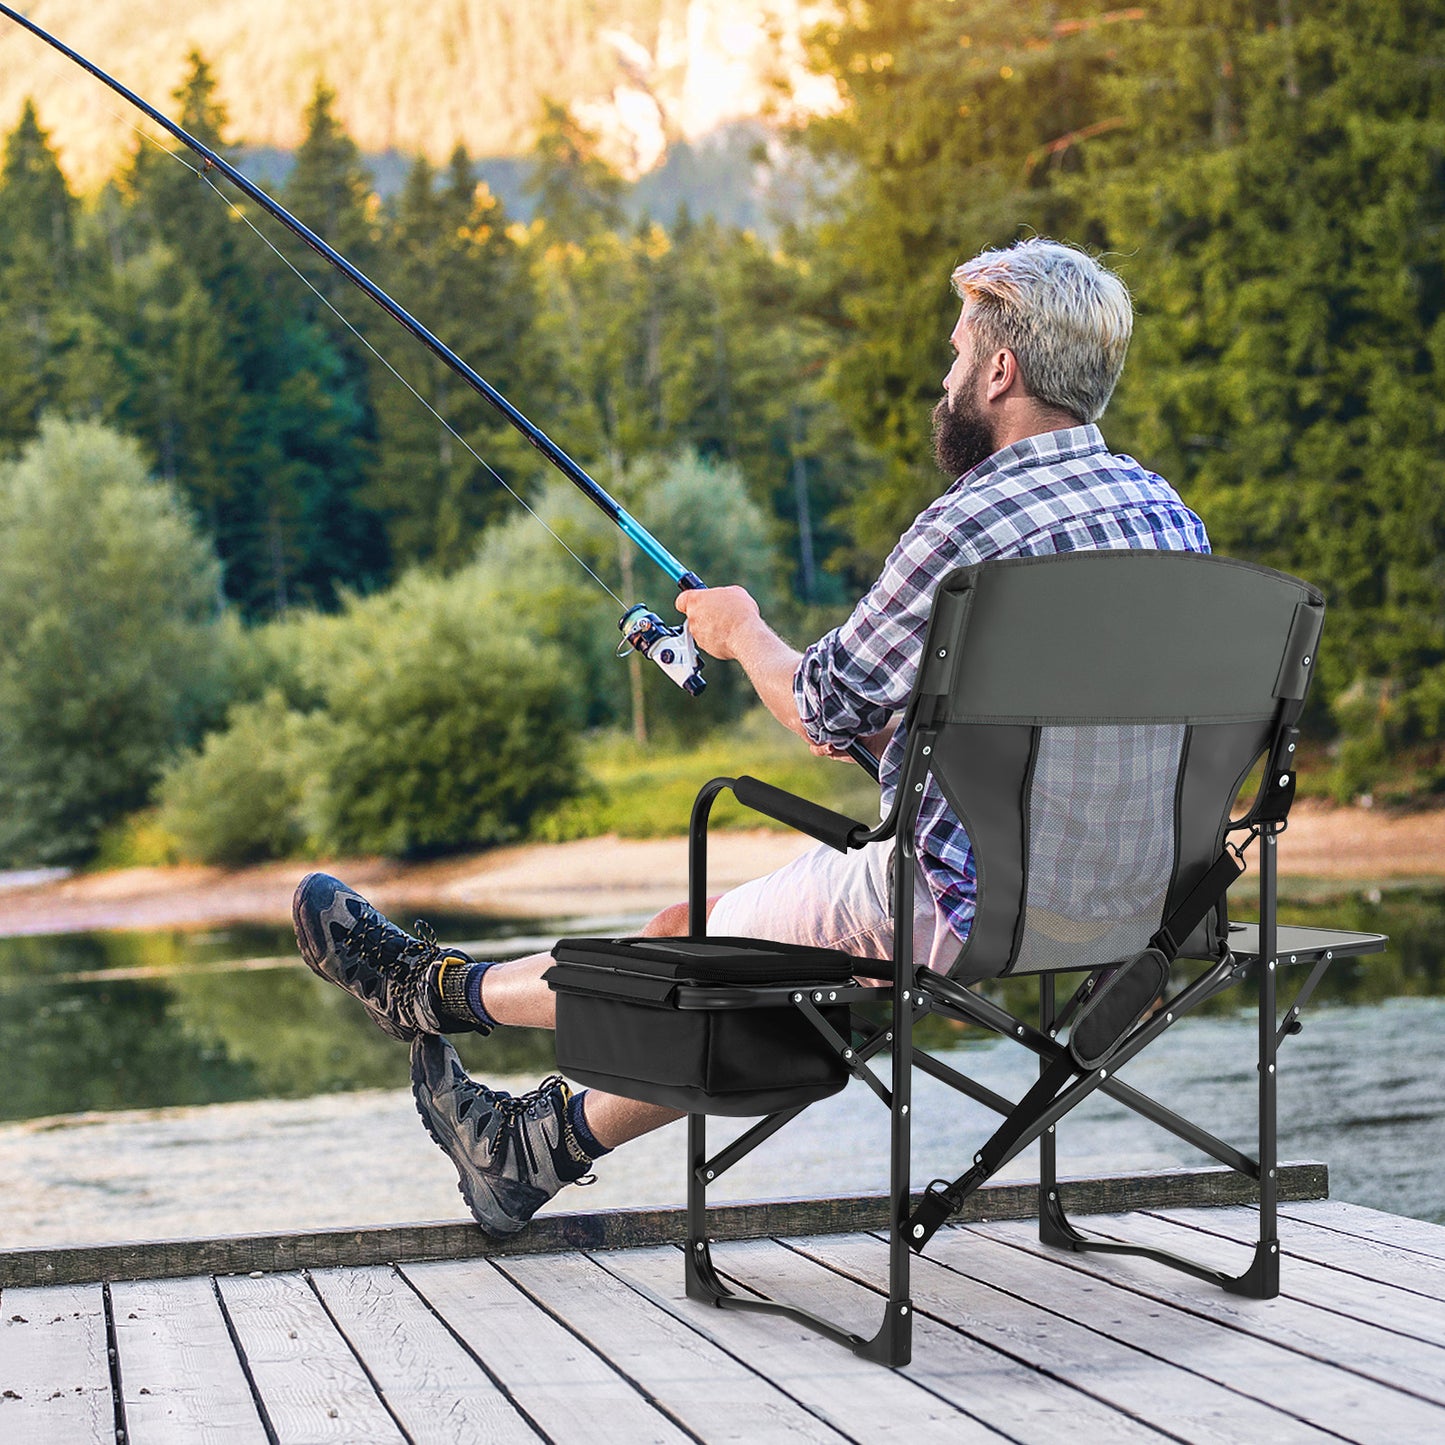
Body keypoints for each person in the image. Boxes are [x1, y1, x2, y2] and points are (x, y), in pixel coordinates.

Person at [292, 237, 1210, 1236]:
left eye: (954, 359)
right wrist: (913, 732)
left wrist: (738, 631)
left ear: (1001, 371)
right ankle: (531, 1148)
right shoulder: (1166, 517)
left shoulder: (967, 522)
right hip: (1131, 907)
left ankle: (431, 990)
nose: (943, 383)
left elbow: (819, 706)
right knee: (748, 956)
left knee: (685, 944)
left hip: (965, 906)